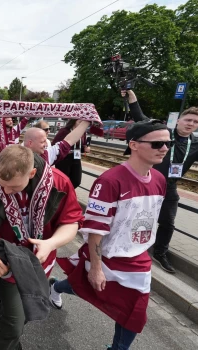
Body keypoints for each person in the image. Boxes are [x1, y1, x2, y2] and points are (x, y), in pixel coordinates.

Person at [52, 120, 170, 350]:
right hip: (108, 256)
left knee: (134, 312)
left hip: (138, 259)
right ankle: (55, 287)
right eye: (157, 143)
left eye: (168, 143)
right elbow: (95, 229)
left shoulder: (160, 180)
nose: (164, 148)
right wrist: (96, 267)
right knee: (83, 286)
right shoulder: (109, 181)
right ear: (134, 145)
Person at [0, 145, 84, 349]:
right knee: (14, 322)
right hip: (8, 263)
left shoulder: (58, 182)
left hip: (39, 262)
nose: (5, 191)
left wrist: (51, 243)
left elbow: (71, 222)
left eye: (14, 187)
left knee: (25, 314)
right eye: (2, 184)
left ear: (32, 173)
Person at [126, 90, 198, 273]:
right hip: (148, 183)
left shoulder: (195, 143)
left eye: (196, 122)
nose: (191, 124)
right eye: (188, 120)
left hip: (170, 186)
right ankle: (129, 246)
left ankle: (160, 252)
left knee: (168, 222)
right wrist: (132, 97)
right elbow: (140, 118)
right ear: (179, 120)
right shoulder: (163, 133)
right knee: (137, 217)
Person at [52, 119, 90, 189]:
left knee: (76, 181)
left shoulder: (83, 132)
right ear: (74, 121)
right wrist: (65, 150)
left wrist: (85, 149)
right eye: (79, 122)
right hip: (64, 159)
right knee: (63, 180)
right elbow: (54, 145)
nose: (81, 124)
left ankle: (67, 193)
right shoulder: (64, 131)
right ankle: (62, 196)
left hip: (76, 157)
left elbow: (81, 146)